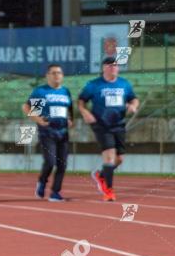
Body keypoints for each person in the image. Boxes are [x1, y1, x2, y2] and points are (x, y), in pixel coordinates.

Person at [78, 56, 139, 201]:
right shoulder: (93, 85)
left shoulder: (124, 84)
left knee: (119, 159)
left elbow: (133, 98)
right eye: (110, 65)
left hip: (119, 124)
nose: (113, 68)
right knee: (110, 156)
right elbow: (81, 101)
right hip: (101, 124)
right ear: (104, 68)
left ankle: (101, 175)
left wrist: (133, 105)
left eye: (115, 65)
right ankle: (109, 191)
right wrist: (85, 112)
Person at [23, 63, 73, 202]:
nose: (57, 75)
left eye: (59, 73)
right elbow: (27, 107)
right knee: (50, 162)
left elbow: (68, 109)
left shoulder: (65, 92)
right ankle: (42, 182)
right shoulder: (41, 91)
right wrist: (39, 120)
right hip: (47, 132)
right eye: (54, 73)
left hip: (63, 132)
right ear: (47, 76)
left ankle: (55, 193)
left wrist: (69, 119)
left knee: (62, 164)